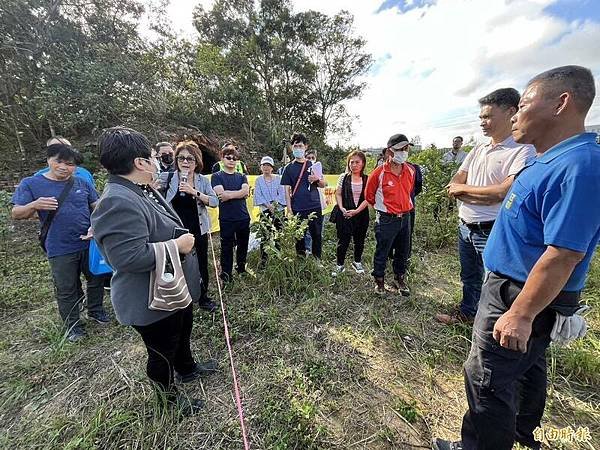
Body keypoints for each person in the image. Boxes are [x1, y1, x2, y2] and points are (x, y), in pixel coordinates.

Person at [433, 65, 600, 450]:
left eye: (523, 104)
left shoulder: (580, 167)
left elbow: (563, 254)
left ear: (561, 103)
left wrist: (521, 314)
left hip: (521, 292)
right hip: (514, 284)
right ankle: (523, 434)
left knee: (486, 377)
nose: (518, 114)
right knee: (524, 369)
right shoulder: (549, 159)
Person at [91, 126, 216, 416]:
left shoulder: (140, 190)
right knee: (161, 351)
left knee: (183, 327)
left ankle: (187, 368)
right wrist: (177, 245)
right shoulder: (116, 201)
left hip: (171, 286)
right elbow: (127, 257)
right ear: (139, 162)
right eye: (152, 157)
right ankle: (168, 401)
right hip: (150, 296)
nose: (157, 163)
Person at [435, 88, 536, 325]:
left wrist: (465, 192)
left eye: (488, 116)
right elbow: (454, 184)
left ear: (511, 112)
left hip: (493, 228)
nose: (482, 122)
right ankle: (468, 314)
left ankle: (492, 326)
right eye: (481, 117)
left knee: (496, 283)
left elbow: (503, 192)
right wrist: (479, 194)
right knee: (469, 276)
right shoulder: (479, 149)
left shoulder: (523, 150)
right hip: (465, 225)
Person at [11, 143, 108, 342]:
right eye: (59, 162)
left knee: (96, 278)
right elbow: (16, 213)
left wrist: (95, 226)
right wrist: (34, 204)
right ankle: (73, 326)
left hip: (88, 242)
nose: (64, 167)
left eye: (70, 164)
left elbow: (96, 207)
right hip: (60, 246)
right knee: (66, 287)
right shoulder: (31, 183)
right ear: (48, 161)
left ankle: (96, 311)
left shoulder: (81, 183)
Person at [159, 140, 219, 312]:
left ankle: (203, 297)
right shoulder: (168, 178)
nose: (185, 162)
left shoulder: (201, 181)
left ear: (197, 161)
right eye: (181, 158)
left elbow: (214, 201)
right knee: (177, 264)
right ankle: (181, 298)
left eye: (190, 159)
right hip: (175, 230)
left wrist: (195, 192)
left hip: (198, 228)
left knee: (201, 264)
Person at [365, 133, 416, 295]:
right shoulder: (378, 173)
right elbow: (369, 196)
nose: (404, 152)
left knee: (403, 250)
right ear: (389, 152)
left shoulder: (410, 170)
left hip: (405, 217)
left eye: (406, 148)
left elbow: (409, 192)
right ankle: (379, 281)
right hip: (387, 219)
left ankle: (399, 278)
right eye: (400, 149)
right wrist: (384, 210)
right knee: (383, 250)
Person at [280, 132, 326, 259]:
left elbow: (323, 184)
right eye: (295, 146)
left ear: (306, 147)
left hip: (314, 206)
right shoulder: (288, 168)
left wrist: (317, 179)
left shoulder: (313, 165)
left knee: (316, 235)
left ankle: (317, 260)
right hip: (298, 207)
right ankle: (300, 259)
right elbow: (286, 191)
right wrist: (289, 209)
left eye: (300, 146)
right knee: (299, 236)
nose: (298, 149)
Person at [211, 145, 251, 282]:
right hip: (227, 218)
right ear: (222, 159)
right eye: (228, 157)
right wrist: (239, 193)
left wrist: (230, 194)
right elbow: (221, 195)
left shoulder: (242, 176)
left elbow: (246, 192)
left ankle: (241, 268)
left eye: (234, 158)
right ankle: (226, 274)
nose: (232, 160)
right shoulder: (216, 176)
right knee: (226, 247)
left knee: (243, 245)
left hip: (243, 217)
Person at [331, 150, 370, 276]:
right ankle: (340, 265)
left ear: (363, 163)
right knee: (343, 240)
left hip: (361, 214)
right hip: (345, 213)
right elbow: (338, 193)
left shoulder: (367, 179)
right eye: (351, 162)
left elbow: (369, 198)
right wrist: (341, 207)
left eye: (357, 162)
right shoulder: (343, 177)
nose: (354, 165)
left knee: (359, 240)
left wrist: (357, 211)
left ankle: (357, 262)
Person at [254, 156, 286, 264]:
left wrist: (275, 205)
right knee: (265, 235)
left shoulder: (279, 178)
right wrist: (269, 206)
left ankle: (278, 257)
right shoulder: (258, 180)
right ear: (261, 167)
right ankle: (264, 260)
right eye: (264, 165)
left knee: (278, 234)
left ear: (272, 167)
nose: (266, 168)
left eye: (268, 165)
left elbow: (282, 193)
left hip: (279, 210)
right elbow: (258, 195)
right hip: (265, 210)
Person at [304, 148, 327, 255]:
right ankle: (307, 250)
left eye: (313, 158)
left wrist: (316, 179)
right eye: (308, 158)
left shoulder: (319, 172)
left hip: (319, 205)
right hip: (305, 205)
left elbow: (324, 184)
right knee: (306, 231)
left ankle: (316, 254)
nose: (311, 160)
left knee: (318, 231)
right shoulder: (302, 172)